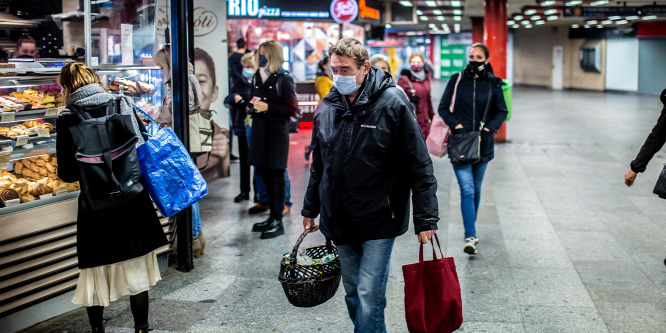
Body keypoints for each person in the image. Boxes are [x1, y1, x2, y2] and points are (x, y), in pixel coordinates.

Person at [302, 38, 439, 332]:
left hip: (380, 216)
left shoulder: (392, 102)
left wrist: (426, 218)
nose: (338, 75)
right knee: (353, 292)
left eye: (346, 69)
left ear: (365, 67)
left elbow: (419, 163)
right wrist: (310, 207)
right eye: (334, 68)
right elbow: (319, 163)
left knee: (368, 293)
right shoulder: (327, 106)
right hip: (339, 216)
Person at [56, 62, 168, 333]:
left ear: (66, 87)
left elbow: (68, 174)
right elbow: (141, 146)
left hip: (97, 207)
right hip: (132, 199)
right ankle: (141, 327)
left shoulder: (67, 117)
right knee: (136, 271)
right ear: (95, 79)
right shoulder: (121, 102)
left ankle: (97, 330)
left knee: (95, 273)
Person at [437, 43, 508, 255]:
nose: (474, 59)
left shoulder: (494, 83)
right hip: (460, 142)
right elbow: (442, 107)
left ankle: (470, 227)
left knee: (476, 190)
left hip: (483, 144)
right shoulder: (457, 79)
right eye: (471, 56)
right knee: (467, 189)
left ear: (486, 60)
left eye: (479, 56)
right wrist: (457, 125)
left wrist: (489, 128)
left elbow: (502, 111)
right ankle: (471, 235)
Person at [141, 46, 207, 257]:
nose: (160, 71)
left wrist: (147, 109)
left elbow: (174, 112)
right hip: (188, 137)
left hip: (184, 138)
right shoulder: (186, 77)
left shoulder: (181, 80)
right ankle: (195, 237)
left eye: (161, 66)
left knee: (187, 189)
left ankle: (194, 237)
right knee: (187, 186)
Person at [246, 40, 298, 239]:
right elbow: (252, 100)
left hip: (276, 133)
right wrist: (251, 106)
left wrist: (268, 108)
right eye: (259, 53)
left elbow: (292, 108)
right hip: (259, 131)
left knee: (276, 174)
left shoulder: (284, 79)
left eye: (263, 53)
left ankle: (278, 219)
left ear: (272, 55)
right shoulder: (257, 77)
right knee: (264, 172)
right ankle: (271, 217)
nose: (260, 57)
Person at [194, 48, 231, 180]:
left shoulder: (223, 138)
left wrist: (225, 157)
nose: (195, 90)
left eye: (201, 81)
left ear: (214, 92)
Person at [225, 52, 255, 203]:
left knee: (256, 162)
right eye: (244, 66)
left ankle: (259, 194)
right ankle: (244, 191)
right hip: (242, 126)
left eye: (249, 66)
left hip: (255, 126)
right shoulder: (240, 81)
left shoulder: (259, 82)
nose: (246, 69)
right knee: (244, 161)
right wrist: (235, 97)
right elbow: (228, 98)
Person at [397, 53, 435, 138]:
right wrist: (410, 99)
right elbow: (398, 100)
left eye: (418, 61)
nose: (416, 64)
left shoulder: (426, 79)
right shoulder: (404, 79)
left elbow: (428, 100)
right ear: (409, 62)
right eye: (413, 61)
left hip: (425, 122)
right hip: (411, 122)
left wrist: (433, 117)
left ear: (423, 63)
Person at [305, 56, 334, 160]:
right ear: (324, 65)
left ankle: (310, 148)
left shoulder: (330, 77)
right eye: (331, 63)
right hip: (326, 111)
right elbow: (325, 95)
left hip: (331, 111)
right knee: (322, 136)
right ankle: (311, 149)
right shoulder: (322, 79)